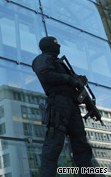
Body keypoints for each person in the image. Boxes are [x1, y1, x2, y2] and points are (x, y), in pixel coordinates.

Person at [32, 36, 94, 177]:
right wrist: (69, 80)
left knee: (82, 146)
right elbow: (45, 74)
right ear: (48, 45)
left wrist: (89, 103)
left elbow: (77, 88)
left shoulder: (61, 64)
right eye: (55, 44)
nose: (58, 46)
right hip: (58, 103)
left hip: (71, 105)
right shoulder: (43, 59)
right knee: (53, 145)